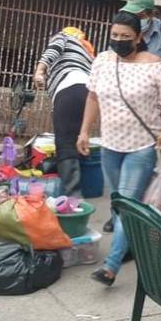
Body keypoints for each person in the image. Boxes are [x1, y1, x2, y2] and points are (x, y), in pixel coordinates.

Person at [77, 11, 161, 286]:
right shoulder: (102, 62)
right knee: (119, 204)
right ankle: (132, 243)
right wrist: (85, 131)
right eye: (115, 36)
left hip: (143, 145)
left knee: (127, 204)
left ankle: (110, 267)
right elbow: (93, 96)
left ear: (139, 38)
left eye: (125, 37)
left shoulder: (157, 66)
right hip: (110, 144)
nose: (119, 41)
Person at [33, 26, 95, 198]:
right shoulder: (87, 53)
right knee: (79, 141)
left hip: (70, 89)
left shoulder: (64, 37)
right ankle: (82, 191)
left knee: (66, 144)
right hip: (89, 95)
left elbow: (53, 49)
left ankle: (73, 199)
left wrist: (39, 71)